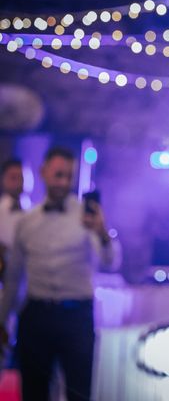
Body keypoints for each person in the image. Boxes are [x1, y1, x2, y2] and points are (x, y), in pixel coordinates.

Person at [0, 146, 120, 401]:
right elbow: (14, 278)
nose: (63, 182)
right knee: (33, 392)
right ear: (43, 172)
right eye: (58, 175)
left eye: (68, 176)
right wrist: (3, 320)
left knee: (79, 392)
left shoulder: (87, 217)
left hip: (76, 317)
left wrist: (102, 231)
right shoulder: (27, 221)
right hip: (36, 315)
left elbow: (111, 262)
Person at [0, 158, 25, 279]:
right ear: (3, 180)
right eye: (13, 177)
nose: (18, 182)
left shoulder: (29, 213)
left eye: (21, 177)